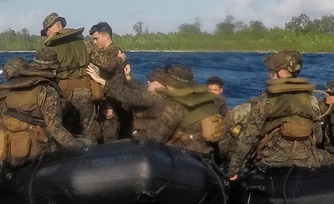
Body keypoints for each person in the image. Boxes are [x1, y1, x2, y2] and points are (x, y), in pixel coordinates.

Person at [226, 51, 334, 180]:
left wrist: (233, 171)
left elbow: (249, 137)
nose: (269, 75)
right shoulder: (311, 99)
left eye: (271, 72)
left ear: (281, 73)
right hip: (306, 160)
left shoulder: (268, 99)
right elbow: (318, 136)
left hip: (271, 162)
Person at [90, 63, 226, 158]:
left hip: (186, 156)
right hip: (207, 153)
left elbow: (156, 137)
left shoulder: (176, 106)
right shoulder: (211, 100)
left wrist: (129, 143)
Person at [0, 47, 89, 168]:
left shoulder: (14, 86)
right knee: (86, 142)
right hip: (35, 154)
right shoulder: (47, 91)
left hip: (8, 150)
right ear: (54, 70)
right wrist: (80, 147)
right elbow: (55, 129)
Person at [41, 12, 98, 140]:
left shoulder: (51, 48)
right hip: (84, 88)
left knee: (67, 128)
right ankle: (93, 155)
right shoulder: (84, 43)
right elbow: (101, 61)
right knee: (88, 127)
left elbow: (43, 72)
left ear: (49, 30)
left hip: (63, 91)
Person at [87, 21, 126, 142]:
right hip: (104, 100)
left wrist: (110, 106)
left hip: (111, 102)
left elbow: (117, 80)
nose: (94, 42)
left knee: (109, 137)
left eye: (96, 38)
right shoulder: (105, 52)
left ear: (106, 37)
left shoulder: (114, 52)